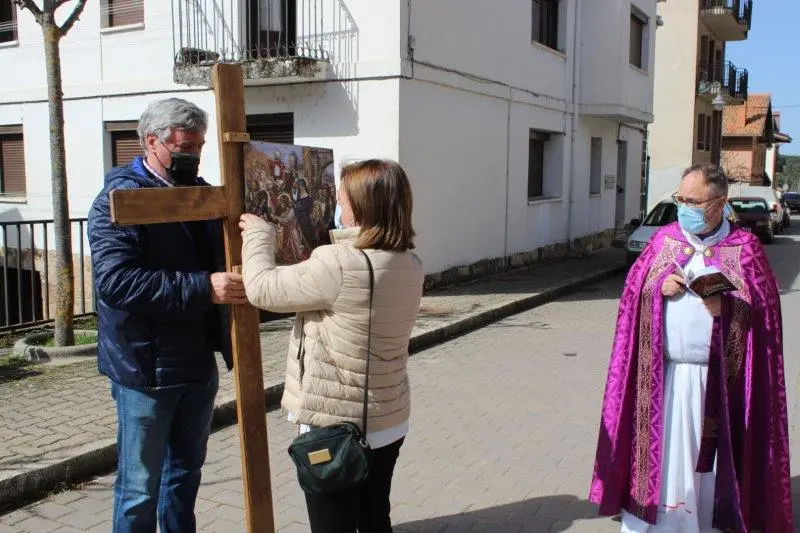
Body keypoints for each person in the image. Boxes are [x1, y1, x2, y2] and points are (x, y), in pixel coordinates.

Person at [590, 163, 793, 532]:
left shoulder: (745, 248)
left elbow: (767, 317)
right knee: (664, 457)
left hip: (718, 384)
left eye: (693, 201)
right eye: (680, 198)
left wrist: (729, 307)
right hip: (663, 378)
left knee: (709, 464)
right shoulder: (663, 240)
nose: (684, 207)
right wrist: (657, 288)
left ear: (719, 202)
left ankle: (709, 523)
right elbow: (632, 295)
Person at [88, 98, 247, 533]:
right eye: (182, 147)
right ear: (150, 141)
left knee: (185, 476)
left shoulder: (202, 193)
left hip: (197, 364)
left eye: (198, 146)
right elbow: (117, 282)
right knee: (140, 487)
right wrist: (204, 287)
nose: (191, 156)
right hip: (145, 369)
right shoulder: (116, 202)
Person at [239, 159, 424, 533]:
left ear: (358, 207)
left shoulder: (338, 262)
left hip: (337, 427)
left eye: (340, 198)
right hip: (388, 418)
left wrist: (259, 235)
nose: (336, 206)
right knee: (374, 517)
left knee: (332, 525)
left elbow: (262, 289)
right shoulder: (409, 261)